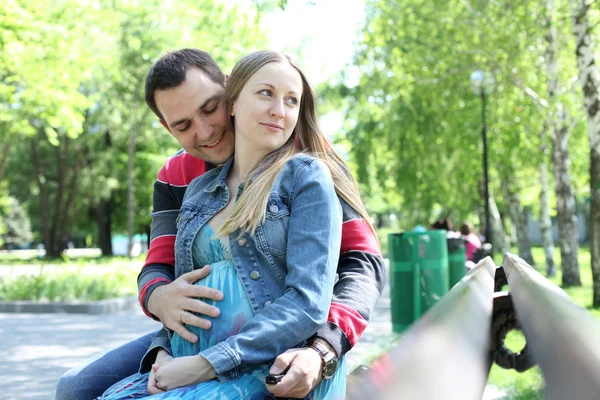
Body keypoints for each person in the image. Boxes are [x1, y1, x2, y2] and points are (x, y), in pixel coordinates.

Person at [56, 49, 385, 399]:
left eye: (210, 108)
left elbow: (362, 264)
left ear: (229, 93)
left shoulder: (302, 163)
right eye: (183, 125)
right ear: (167, 127)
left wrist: (324, 347)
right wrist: (159, 301)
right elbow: (159, 265)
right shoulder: (178, 178)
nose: (206, 130)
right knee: (76, 387)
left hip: (284, 340)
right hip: (196, 339)